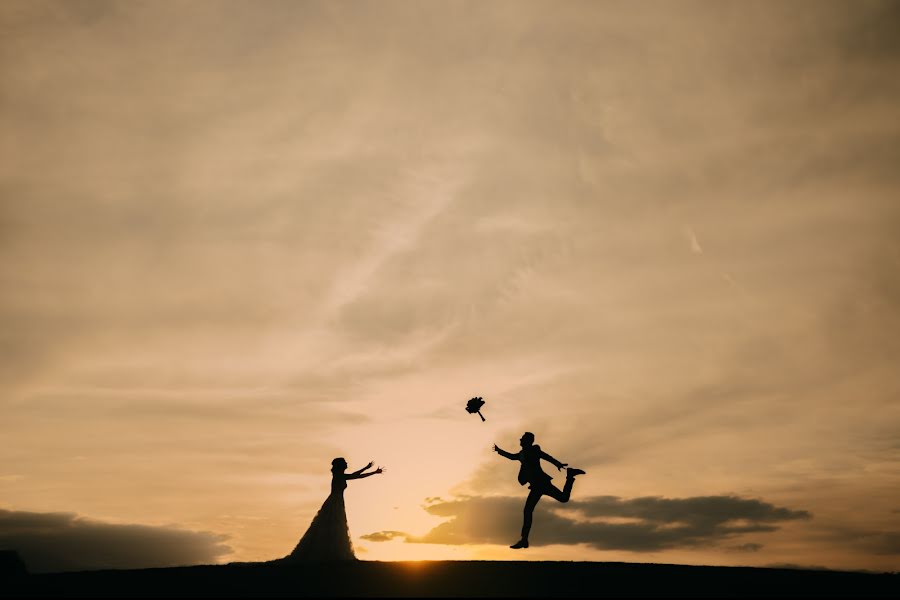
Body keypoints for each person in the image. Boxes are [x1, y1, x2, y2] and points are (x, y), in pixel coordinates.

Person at [493, 432, 585, 549]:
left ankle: (570, 476)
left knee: (559, 500)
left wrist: (557, 463)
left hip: (542, 484)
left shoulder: (534, 450)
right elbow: (511, 457)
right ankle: (524, 540)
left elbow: (546, 456)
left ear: (527, 441)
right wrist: (499, 450)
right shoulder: (521, 454)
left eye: (522, 439)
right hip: (537, 486)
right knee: (531, 509)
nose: (520, 440)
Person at [284, 458, 384, 561]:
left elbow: (356, 475)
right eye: (344, 463)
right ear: (340, 466)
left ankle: (332, 551)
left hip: (338, 501)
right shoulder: (339, 475)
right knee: (334, 524)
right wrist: (370, 470)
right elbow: (355, 476)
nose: (346, 463)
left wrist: (372, 471)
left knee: (335, 526)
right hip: (335, 502)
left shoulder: (340, 475)